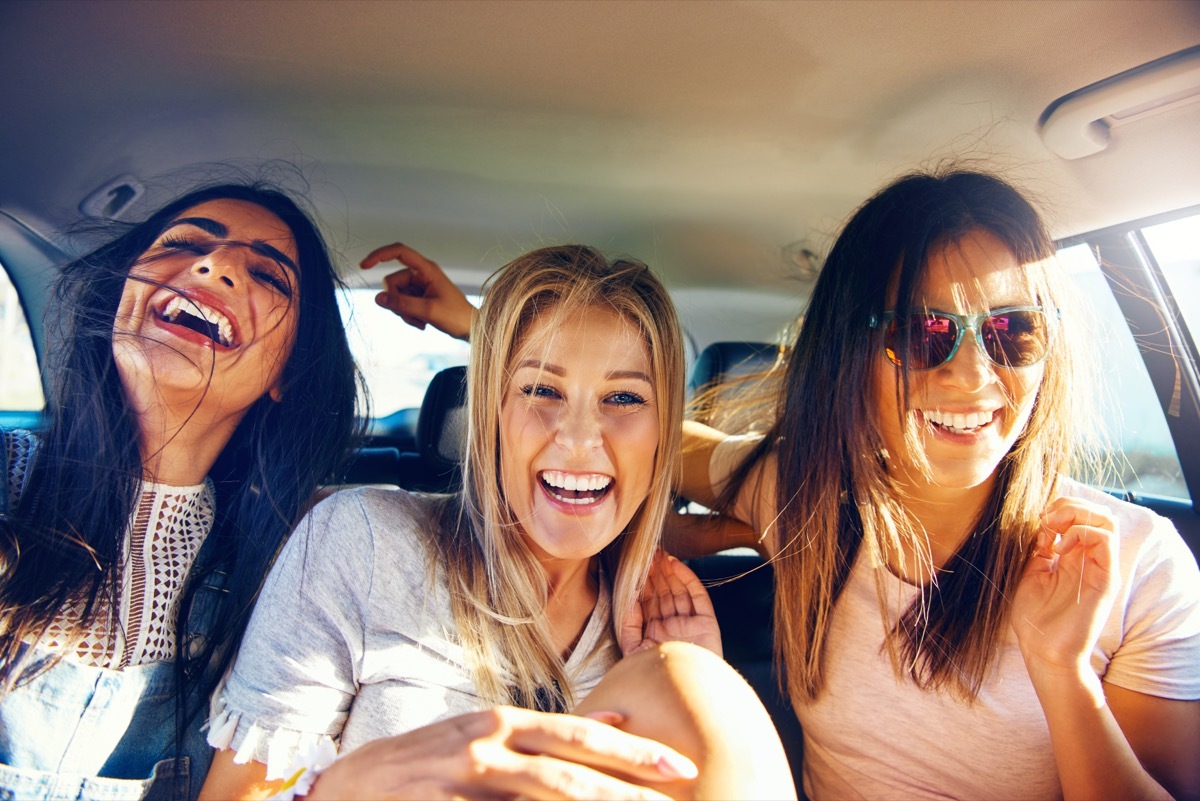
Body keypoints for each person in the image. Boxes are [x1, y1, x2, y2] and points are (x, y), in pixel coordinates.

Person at [673, 169, 1200, 800]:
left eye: (1013, 329)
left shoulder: (1139, 564)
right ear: (848, 354)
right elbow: (645, 447)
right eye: (923, 334)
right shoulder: (804, 492)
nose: (974, 376)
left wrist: (1062, 673)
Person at [199, 244, 796, 801]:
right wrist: (352, 783)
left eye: (624, 399)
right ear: (490, 413)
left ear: (665, 433)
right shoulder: (363, 543)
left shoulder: (666, 631)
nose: (581, 439)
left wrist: (678, 689)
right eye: (540, 388)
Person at [0, 182, 361, 801]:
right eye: (186, 242)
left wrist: (478, 329)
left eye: (270, 277)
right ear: (122, 295)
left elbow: (514, 517)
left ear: (287, 372)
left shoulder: (300, 557)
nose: (214, 264)